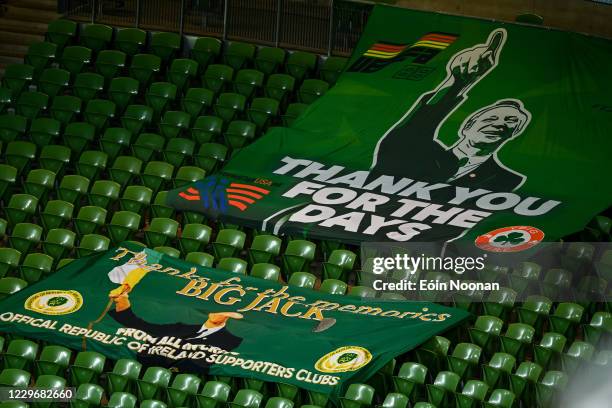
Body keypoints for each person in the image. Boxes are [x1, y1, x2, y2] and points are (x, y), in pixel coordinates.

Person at [371, 28, 531, 192]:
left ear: (515, 132)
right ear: (467, 125)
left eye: (511, 122)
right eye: (491, 119)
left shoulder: (508, 181)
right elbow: (417, 125)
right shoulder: (415, 149)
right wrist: (457, 84)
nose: (500, 125)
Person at [106, 254, 243, 372]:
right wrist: (122, 302)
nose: (217, 313)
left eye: (224, 312)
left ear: (229, 316)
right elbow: (141, 326)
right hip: (147, 364)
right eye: (215, 309)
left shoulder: (232, 340)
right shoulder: (181, 326)